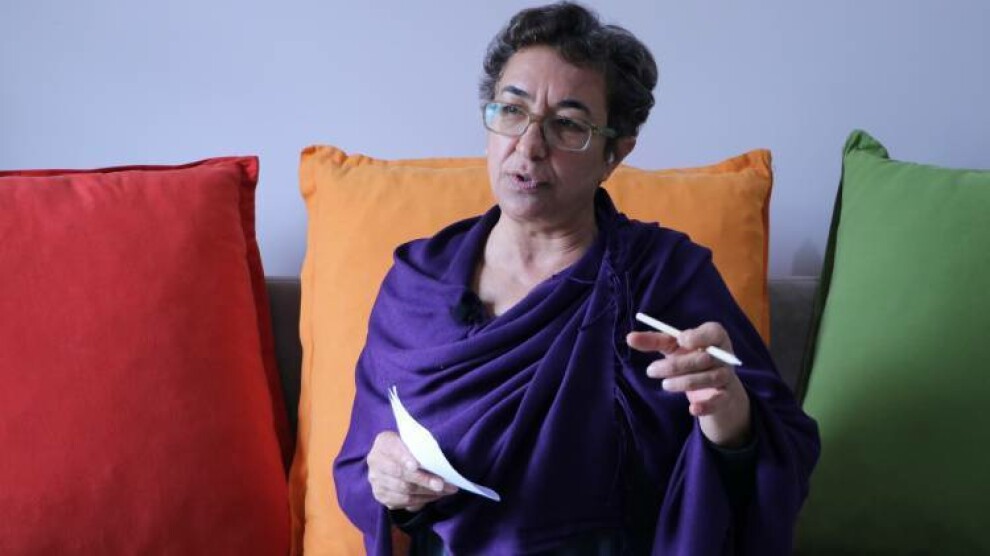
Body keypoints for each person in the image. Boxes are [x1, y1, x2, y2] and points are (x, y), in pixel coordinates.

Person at [334, 2, 820, 554]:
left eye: (567, 124)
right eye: (511, 110)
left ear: (615, 153)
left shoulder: (662, 277)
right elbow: (361, 468)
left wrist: (728, 413)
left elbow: (783, 453)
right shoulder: (418, 284)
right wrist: (389, 485)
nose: (529, 145)